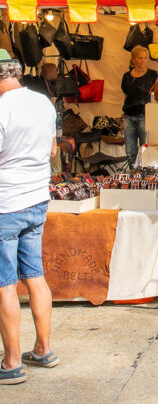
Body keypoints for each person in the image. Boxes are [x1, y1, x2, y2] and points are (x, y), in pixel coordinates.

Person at [0, 50, 58, 385]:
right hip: (38, 199)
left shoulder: (2, 108)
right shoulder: (42, 103)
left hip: (6, 203)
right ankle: (43, 349)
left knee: (5, 285)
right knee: (35, 275)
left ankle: (10, 362)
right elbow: (52, 150)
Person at [120, 45, 158, 165]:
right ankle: (133, 174)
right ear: (134, 59)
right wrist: (122, 116)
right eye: (140, 58)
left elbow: (156, 96)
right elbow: (126, 96)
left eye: (145, 58)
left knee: (145, 147)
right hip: (129, 114)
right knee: (130, 149)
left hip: (145, 114)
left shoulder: (152, 75)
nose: (143, 60)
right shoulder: (127, 76)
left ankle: (144, 173)